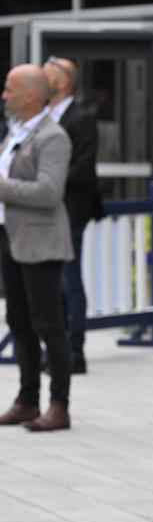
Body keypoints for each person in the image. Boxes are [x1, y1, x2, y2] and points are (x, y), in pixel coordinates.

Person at [0, 65, 73, 431]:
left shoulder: (53, 135)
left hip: (41, 242)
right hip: (13, 238)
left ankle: (59, 404)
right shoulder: (18, 131)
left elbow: (48, 192)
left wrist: (2, 185)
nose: (4, 95)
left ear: (30, 94)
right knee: (19, 321)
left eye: (9, 89)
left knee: (49, 324)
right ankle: (28, 399)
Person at [43, 56, 103, 375]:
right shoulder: (41, 116)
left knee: (69, 281)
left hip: (69, 212)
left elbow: (83, 169)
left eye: (48, 71)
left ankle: (75, 351)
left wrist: (44, 179)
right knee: (51, 283)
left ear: (64, 80)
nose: (42, 75)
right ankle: (54, 349)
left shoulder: (80, 118)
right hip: (44, 213)